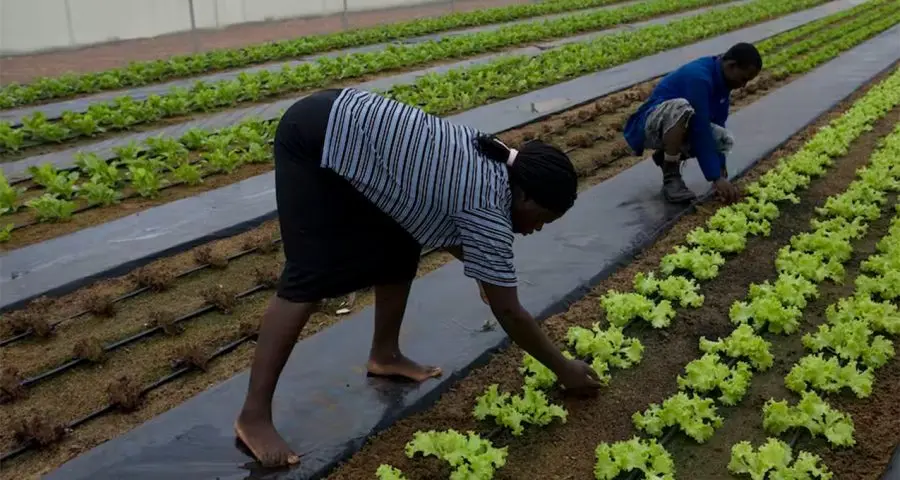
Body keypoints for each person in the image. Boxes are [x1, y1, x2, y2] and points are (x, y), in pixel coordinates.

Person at [235, 87, 604, 467]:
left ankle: (385, 354)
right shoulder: (488, 206)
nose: (537, 229)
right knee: (308, 274)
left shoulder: (499, 164)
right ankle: (253, 417)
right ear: (525, 197)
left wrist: (484, 273)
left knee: (400, 244)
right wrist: (565, 368)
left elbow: (444, 212)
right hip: (314, 137)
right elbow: (509, 312)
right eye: (542, 219)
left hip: (350, 126)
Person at [623, 42, 763, 204]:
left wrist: (721, 174)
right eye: (744, 78)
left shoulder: (722, 82)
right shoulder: (699, 77)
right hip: (648, 124)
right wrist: (714, 177)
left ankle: (667, 156)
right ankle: (671, 176)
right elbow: (700, 128)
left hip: (675, 126)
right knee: (682, 108)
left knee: (720, 136)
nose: (743, 85)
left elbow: (717, 126)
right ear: (731, 66)